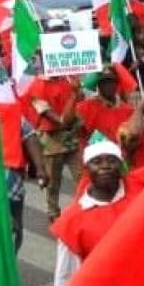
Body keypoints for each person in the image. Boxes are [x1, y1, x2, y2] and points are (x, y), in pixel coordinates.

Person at [52, 134, 144, 286]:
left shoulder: (140, 192)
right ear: (87, 169)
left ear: (120, 165)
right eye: (97, 161)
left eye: (111, 160)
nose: (105, 166)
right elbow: (65, 276)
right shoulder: (73, 220)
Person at [22, 72, 82, 221]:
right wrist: (74, 95)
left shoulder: (69, 79)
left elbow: (80, 104)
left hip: (72, 137)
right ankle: (53, 212)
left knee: (83, 177)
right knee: (53, 181)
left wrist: (78, 92)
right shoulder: (38, 86)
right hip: (51, 139)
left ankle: (85, 208)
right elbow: (60, 121)